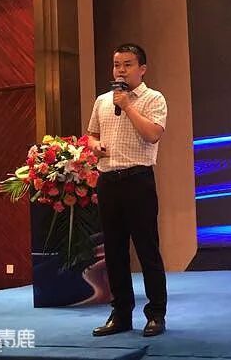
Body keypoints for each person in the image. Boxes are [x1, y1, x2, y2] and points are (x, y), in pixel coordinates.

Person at [87, 43, 168, 337]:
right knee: (114, 251)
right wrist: (95, 145)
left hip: (138, 181)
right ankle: (121, 314)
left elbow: (153, 134)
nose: (120, 70)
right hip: (108, 181)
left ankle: (156, 314)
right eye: (116, 65)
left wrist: (128, 106)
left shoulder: (153, 98)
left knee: (147, 249)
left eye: (127, 64)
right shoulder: (102, 101)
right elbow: (91, 135)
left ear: (142, 69)